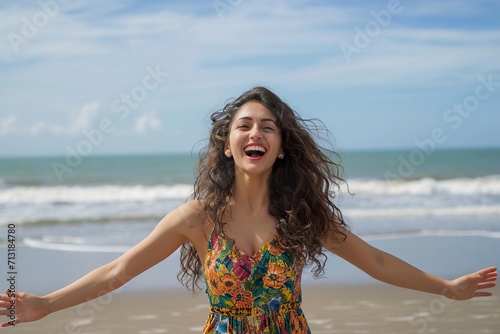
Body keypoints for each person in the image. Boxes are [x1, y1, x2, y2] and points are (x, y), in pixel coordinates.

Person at [0, 86, 497, 333]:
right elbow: (117, 271)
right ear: (226, 144)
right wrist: (45, 304)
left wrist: (446, 288)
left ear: (281, 147)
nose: (254, 133)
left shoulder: (306, 217)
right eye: (243, 126)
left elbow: (377, 262)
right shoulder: (197, 217)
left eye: (267, 127)